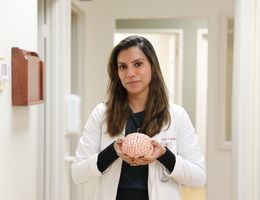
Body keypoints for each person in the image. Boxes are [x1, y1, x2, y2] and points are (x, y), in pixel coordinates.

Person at [71, 35, 206, 200]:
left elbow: (198, 178)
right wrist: (112, 151)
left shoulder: (176, 116)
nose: (130, 73)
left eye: (138, 64)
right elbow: (78, 173)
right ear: (117, 72)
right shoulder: (102, 113)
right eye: (122, 67)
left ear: (152, 66)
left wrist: (164, 155)